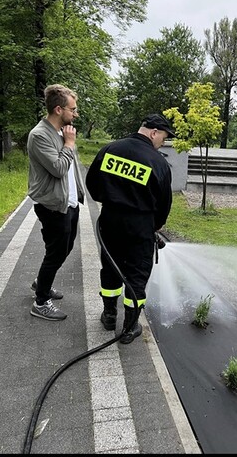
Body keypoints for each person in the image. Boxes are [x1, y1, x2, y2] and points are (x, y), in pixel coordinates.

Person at [85, 114, 174, 344]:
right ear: (153, 132)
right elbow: (164, 204)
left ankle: (109, 316)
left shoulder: (110, 150)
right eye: (163, 138)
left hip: (110, 220)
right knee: (136, 275)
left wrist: (110, 201)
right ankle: (129, 327)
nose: (162, 143)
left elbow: (92, 184)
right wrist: (154, 226)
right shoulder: (158, 162)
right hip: (140, 226)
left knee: (110, 268)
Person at [26, 84, 85, 321]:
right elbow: (59, 168)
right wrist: (69, 144)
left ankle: (42, 282)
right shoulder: (39, 135)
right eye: (73, 109)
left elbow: (71, 169)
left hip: (68, 202)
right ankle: (40, 302)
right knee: (55, 252)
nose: (76, 114)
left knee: (65, 248)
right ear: (59, 109)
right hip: (52, 205)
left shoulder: (62, 131)